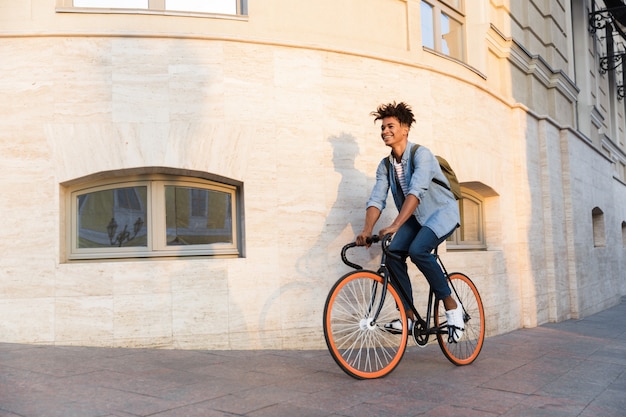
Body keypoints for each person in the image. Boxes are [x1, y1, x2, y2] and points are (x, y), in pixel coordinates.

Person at [355, 101, 465, 342]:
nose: (385, 131)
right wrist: (366, 230)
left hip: (440, 213)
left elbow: (417, 191)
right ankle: (408, 316)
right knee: (393, 252)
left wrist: (395, 225)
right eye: (382, 128)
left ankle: (451, 306)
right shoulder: (385, 165)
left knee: (418, 250)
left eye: (390, 126)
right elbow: (377, 197)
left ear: (405, 129)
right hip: (415, 218)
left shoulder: (421, 155)